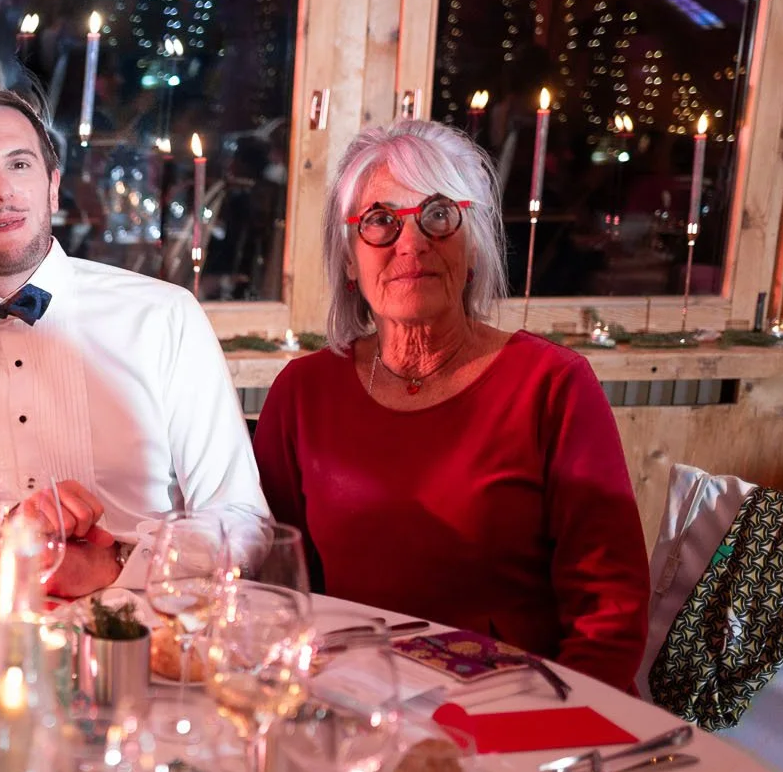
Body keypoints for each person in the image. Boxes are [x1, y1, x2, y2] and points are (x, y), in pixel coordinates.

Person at [251, 118, 648, 691]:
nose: (411, 243)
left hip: (521, 707)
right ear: (347, 256)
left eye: (438, 215)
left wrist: (561, 725)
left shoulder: (554, 386)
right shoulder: (302, 392)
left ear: (474, 239)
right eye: (380, 221)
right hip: (355, 705)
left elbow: (610, 614)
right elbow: (275, 589)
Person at [0, 88, 265, 598]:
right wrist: (6, 526)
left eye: (19, 164)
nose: (0, 190)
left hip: (144, 618)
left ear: (52, 187)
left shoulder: (164, 315)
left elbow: (242, 519)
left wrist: (119, 564)